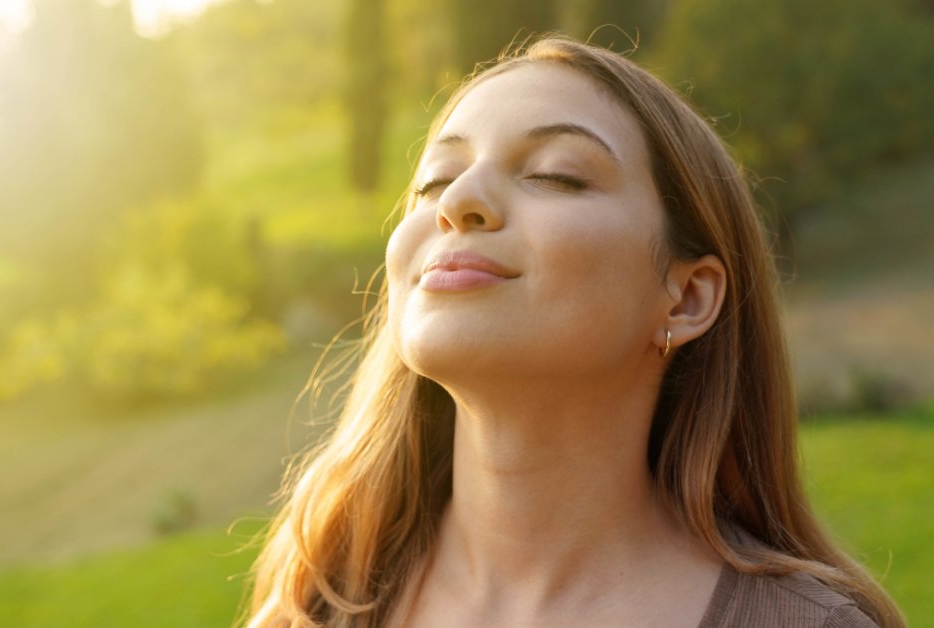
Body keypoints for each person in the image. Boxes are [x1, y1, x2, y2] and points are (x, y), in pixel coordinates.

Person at [242, 35, 905, 628]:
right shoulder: (314, 605)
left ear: (687, 298)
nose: (456, 203)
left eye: (555, 174)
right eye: (435, 180)